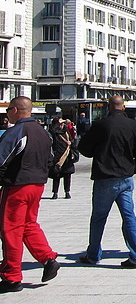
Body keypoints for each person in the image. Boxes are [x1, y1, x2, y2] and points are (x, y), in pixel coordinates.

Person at [77, 95, 136, 268]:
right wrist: (132, 169)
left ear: (109, 107)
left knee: (99, 218)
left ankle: (93, 254)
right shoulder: (133, 126)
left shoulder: (101, 125)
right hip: (125, 178)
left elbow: (84, 147)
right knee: (129, 217)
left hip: (105, 177)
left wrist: (98, 151)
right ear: (123, 107)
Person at [0, 96, 60, 292]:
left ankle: (12, 276)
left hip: (17, 186)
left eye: (9, 109)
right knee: (29, 225)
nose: (7, 113)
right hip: (37, 185)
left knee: (11, 230)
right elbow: (50, 161)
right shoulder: (44, 133)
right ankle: (48, 258)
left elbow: (1, 160)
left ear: (16, 110)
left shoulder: (16, 131)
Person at [49, 118, 76, 199]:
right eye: (60, 124)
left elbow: (73, 142)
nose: (62, 125)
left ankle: (67, 192)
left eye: (63, 124)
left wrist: (71, 143)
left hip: (67, 158)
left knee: (67, 175)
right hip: (57, 158)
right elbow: (52, 134)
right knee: (56, 176)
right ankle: (55, 193)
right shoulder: (54, 133)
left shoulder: (66, 132)